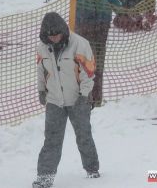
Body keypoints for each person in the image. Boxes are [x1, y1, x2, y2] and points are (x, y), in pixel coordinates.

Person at [33, 12, 99, 188]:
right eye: (50, 36)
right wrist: (41, 89)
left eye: (57, 35)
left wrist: (84, 96)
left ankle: (92, 169)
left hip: (78, 99)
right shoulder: (42, 47)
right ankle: (44, 176)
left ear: (63, 31)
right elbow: (41, 70)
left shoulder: (79, 44)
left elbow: (89, 73)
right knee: (52, 139)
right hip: (54, 100)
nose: (54, 39)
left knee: (83, 135)